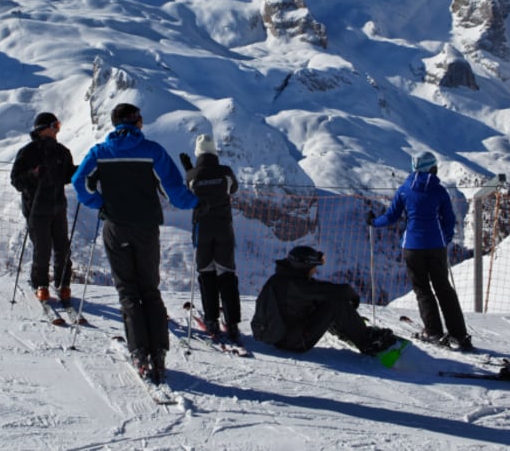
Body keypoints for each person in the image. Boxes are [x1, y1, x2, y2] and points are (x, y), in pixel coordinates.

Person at [72, 103, 197, 385]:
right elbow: (174, 191)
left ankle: (139, 352)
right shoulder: (153, 152)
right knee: (149, 289)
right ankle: (159, 353)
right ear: (137, 122)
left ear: (115, 124)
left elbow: (81, 184)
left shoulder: (99, 153)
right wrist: (197, 200)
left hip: (116, 226)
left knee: (127, 290)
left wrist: (100, 204)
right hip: (146, 227)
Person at [369, 151, 473, 351]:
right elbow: (449, 220)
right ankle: (459, 335)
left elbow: (391, 217)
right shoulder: (440, 191)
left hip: (412, 246)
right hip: (436, 246)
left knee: (423, 289)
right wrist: (445, 238)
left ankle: (433, 331)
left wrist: (373, 221)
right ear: (432, 168)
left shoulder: (404, 190)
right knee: (444, 289)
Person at [250, 245, 396, 356]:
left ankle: (345, 327)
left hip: (280, 336)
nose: (315, 270)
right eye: (314, 267)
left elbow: (315, 290)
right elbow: (338, 291)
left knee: (321, 298)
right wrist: (352, 295)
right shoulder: (299, 286)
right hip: (294, 342)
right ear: (304, 267)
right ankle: (368, 343)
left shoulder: (280, 279)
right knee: (335, 303)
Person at [10, 112, 77, 304]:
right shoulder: (28, 151)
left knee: (63, 247)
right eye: (55, 125)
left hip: (58, 206)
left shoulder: (62, 152)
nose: (57, 129)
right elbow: (16, 181)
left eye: (58, 125)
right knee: (43, 248)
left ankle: (63, 284)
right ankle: (41, 284)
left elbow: (66, 176)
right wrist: (33, 174)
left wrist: (81, 170)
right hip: (36, 207)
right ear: (43, 129)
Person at [182, 133, 242, 342]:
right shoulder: (225, 172)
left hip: (202, 228)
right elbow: (233, 188)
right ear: (215, 150)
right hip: (224, 227)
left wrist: (190, 170)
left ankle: (211, 320)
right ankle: (232, 322)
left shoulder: (192, 175)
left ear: (197, 153)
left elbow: (188, 192)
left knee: (206, 273)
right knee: (227, 273)